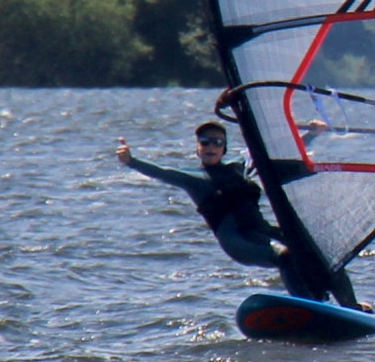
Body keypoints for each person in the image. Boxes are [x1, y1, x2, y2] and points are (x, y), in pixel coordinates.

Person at [117, 121, 361, 309]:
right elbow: (161, 172)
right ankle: (312, 308)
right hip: (238, 241)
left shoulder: (238, 167)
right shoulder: (193, 179)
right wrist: (131, 161)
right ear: (197, 148)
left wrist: (312, 134)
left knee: (322, 252)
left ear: (224, 148)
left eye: (216, 142)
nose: (211, 146)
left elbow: (272, 154)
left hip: (263, 232)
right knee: (285, 256)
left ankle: (350, 307)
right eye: (205, 142)